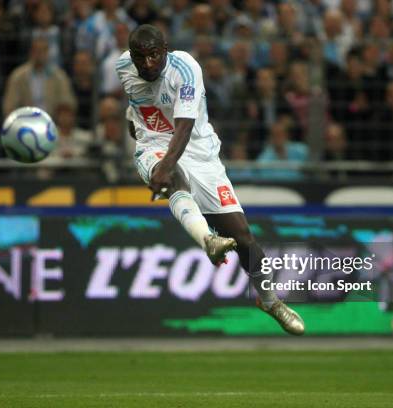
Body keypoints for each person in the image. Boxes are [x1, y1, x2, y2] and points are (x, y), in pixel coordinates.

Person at [116, 24, 304, 335]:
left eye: (153, 56)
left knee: (244, 238)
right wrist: (140, 134)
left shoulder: (186, 69)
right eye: (140, 57)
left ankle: (270, 301)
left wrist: (162, 158)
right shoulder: (123, 67)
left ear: (165, 49)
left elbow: (185, 125)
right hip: (153, 147)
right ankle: (208, 240)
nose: (147, 64)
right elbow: (137, 106)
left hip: (200, 153)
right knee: (173, 177)